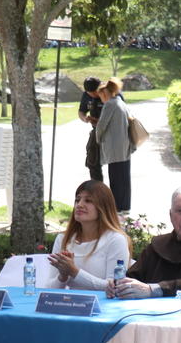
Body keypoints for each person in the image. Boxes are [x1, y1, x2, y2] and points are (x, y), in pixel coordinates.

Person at [48, 180, 132, 290]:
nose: (79, 205)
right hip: (68, 301)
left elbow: (114, 287)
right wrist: (63, 276)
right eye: (77, 200)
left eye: (88, 201)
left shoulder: (116, 240)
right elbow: (49, 289)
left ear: (103, 207)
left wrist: (74, 272)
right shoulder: (63, 239)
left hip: (103, 302)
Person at [96, 77, 133, 213]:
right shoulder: (120, 102)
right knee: (124, 178)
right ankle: (125, 206)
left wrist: (98, 139)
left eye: (101, 95)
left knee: (115, 178)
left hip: (114, 148)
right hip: (125, 146)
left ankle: (116, 207)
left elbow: (101, 125)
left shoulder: (110, 104)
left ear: (105, 93)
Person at [78, 76, 103, 182]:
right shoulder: (86, 95)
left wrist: (98, 121)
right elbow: (81, 111)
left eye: (95, 92)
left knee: (114, 164)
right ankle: (97, 186)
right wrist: (85, 118)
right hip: (96, 131)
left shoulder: (108, 93)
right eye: (90, 93)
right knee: (92, 161)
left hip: (111, 132)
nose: (94, 95)